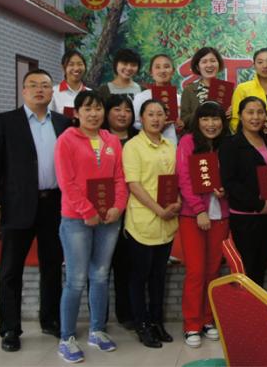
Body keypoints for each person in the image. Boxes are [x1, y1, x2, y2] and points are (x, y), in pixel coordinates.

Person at [0, 69, 72, 352]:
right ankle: (10, 328)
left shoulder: (64, 123)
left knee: (52, 265)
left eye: (45, 85)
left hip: (54, 204)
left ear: (52, 92)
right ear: (23, 91)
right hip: (17, 204)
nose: (39, 90)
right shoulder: (5, 121)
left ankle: (50, 320)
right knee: (10, 269)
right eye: (33, 85)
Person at [54, 90, 128, 363]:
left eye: (98, 108)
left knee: (100, 275)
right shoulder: (66, 140)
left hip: (109, 219)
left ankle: (97, 330)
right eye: (87, 109)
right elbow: (66, 181)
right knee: (75, 279)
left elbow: (119, 178)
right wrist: (87, 211)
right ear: (76, 113)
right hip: (76, 219)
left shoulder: (111, 140)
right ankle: (66, 337)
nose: (94, 114)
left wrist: (118, 207)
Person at [122, 100, 180, 348]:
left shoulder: (170, 145)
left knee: (158, 276)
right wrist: (159, 210)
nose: (156, 119)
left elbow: (176, 179)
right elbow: (133, 184)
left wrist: (177, 202)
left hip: (167, 223)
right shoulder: (133, 146)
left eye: (160, 114)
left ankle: (157, 321)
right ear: (141, 119)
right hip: (142, 222)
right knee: (139, 277)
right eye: (150, 114)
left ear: (166, 118)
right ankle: (142, 324)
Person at [177, 102, 231, 347]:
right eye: (206, 119)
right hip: (193, 216)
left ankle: (208, 319)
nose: (211, 124)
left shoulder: (227, 144)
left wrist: (226, 190)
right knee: (196, 271)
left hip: (221, 215)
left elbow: (233, 175)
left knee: (213, 270)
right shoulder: (188, 142)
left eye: (216, 119)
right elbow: (184, 178)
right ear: (197, 121)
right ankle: (191, 323)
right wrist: (199, 210)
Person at [219, 97, 267, 286]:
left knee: (261, 268)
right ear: (240, 116)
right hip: (246, 218)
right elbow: (230, 182)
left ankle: (259, 305)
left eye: (260, 112)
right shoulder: (230, 144)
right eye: (250, 112)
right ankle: (246, 306)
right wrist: (258, 204)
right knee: (246, 270)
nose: (255, 117)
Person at [102, 94, 138, 331]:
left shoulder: (139, 138)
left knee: (127, 264)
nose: (123, 114)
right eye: (117, 109)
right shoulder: (99, 137)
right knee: (101, 266)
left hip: (136, 208)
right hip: (106, 208)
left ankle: (126, 313)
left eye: (127, 110)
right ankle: (99, 317)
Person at [133, 54, 183, 144]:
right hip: (147, 145)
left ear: (173, 71)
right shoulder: (141, 97)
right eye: (157, 67)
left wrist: (180, 125)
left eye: (166, 67)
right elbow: (135, 123)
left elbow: (181, 126)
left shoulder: (179, 99)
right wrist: (154, 126)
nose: (162, 70)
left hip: (173, 147)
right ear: (151, 72)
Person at [181, 47, 226, 128]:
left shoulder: (226, 89)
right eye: (204, 62)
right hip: (196, 134)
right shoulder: (189, 90)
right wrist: (203, 109)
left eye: (213, 61)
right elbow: (184, 121)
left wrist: (231, 113)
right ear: (197, 67)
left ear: (219, 64)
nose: (209, 65)